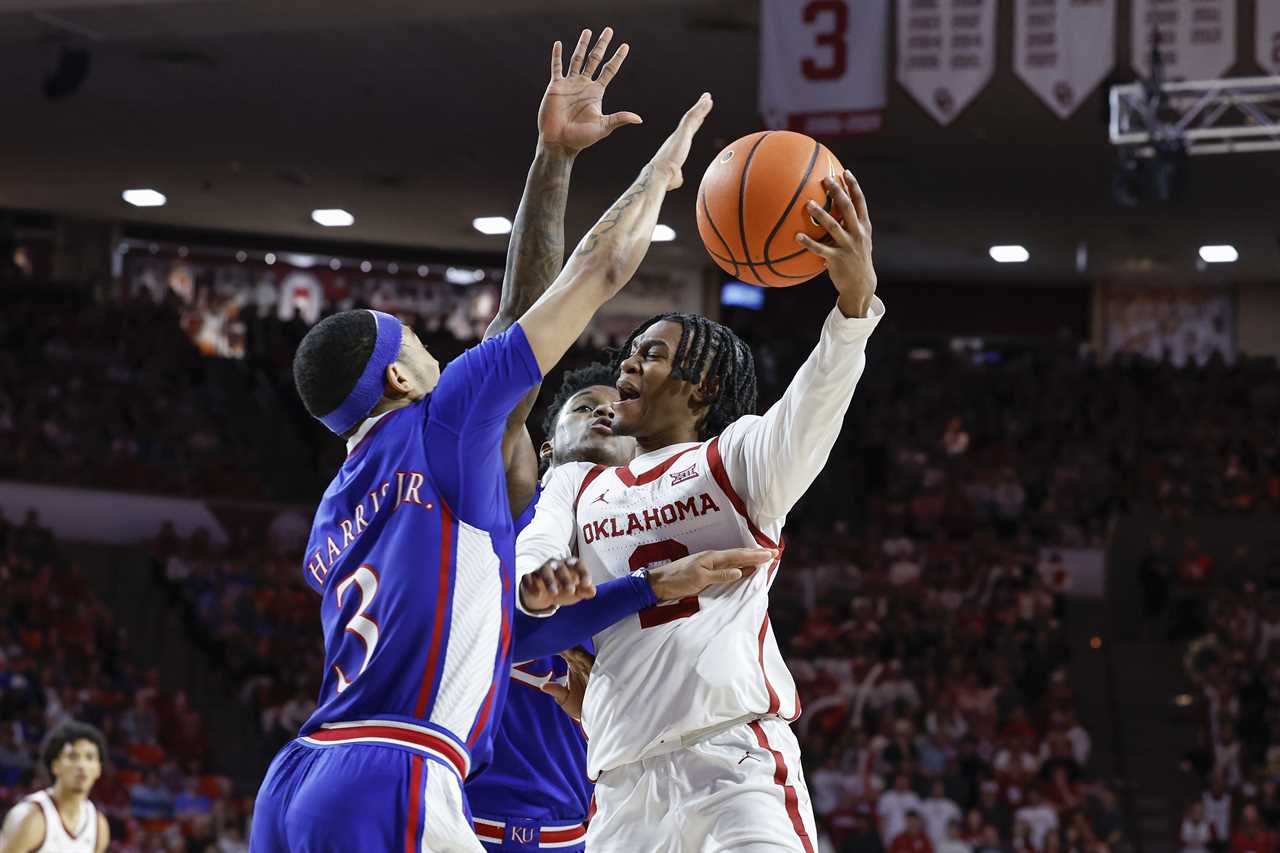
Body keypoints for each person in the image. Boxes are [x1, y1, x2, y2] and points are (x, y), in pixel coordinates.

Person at [248, 37, 718, 848]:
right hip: (397, 768)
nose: (436, 347)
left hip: (299, 776)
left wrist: (645, 588)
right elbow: (589, 276)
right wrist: (653, 178)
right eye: (417, 342)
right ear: (399, 376)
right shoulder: (442, 421)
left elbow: (505, 632)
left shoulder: (336, 509)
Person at [517, 167, 884, 851]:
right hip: (623, 780)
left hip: (733, 762)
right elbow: (532, 556)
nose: (626, 366)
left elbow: (813, 405)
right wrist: (538, 585)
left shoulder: (737, 460)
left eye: (650, 356)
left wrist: (853, 307)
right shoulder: (577, 483)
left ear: (702, 384)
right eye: (628, 353)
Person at [0, 721, 110, 853]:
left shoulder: (99, 826)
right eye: (73, 756)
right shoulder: (31, 817)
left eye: (89, 757)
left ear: (98, 769)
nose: (82, 765)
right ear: (55, 766)